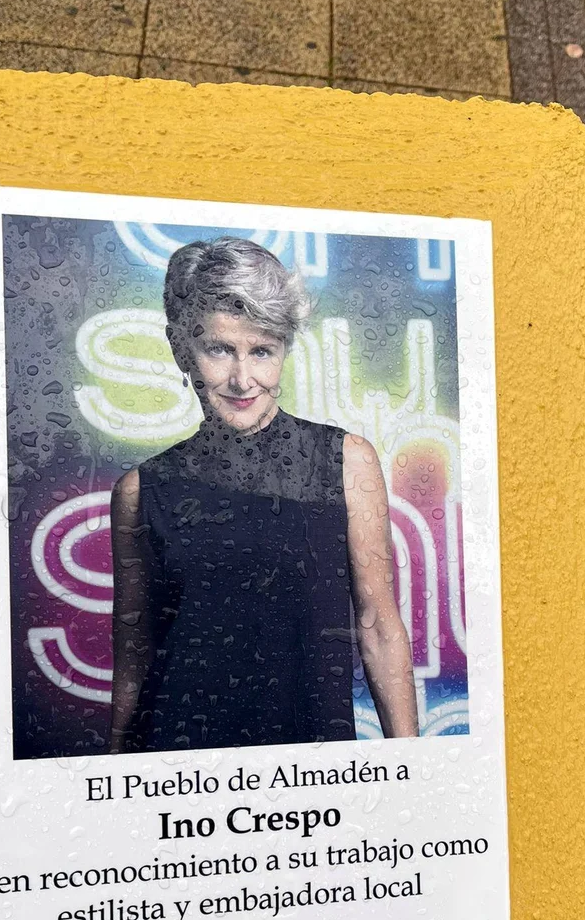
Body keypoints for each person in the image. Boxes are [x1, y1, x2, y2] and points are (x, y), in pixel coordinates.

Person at [108, 235, 419, 754]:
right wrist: (114, 768)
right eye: (219, 349)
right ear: (181, 348)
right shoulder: (140, 491)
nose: (242, 378)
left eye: (262, 351)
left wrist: (412, 767)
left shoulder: (346, 461)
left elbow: (380, 629)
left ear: (283, 351)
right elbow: (134, 657)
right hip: (176, 763)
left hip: (313, 759)